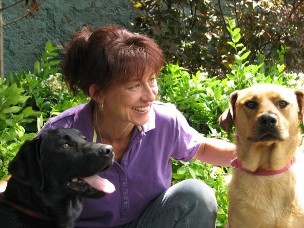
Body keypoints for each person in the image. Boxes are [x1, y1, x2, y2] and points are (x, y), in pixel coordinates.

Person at [38, 25, 236, 228]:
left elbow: (201, 148)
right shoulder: (61, 135)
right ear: (98, 93)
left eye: (152, 80)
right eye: (134, 86)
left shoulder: (164, 120)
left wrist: (259, 157)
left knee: (195, 195)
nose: (150, 95)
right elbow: (22, 182)